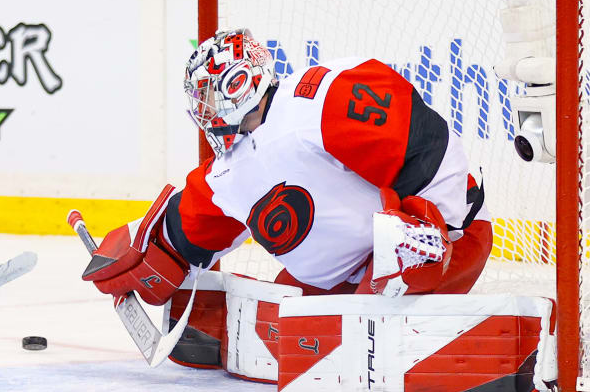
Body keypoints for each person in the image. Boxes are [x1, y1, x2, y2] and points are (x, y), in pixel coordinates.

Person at [82, 28, 491, 303]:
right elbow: (186, 228)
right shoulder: (225, 175)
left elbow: (429, 145)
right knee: (282, 313)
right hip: (348, 281)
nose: (204, 111)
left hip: (443, 245)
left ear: (239, 82)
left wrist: (435, 231)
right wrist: (140, 250)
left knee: (378, 290)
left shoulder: (319, 98)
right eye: (199, 100)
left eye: (209, 95)